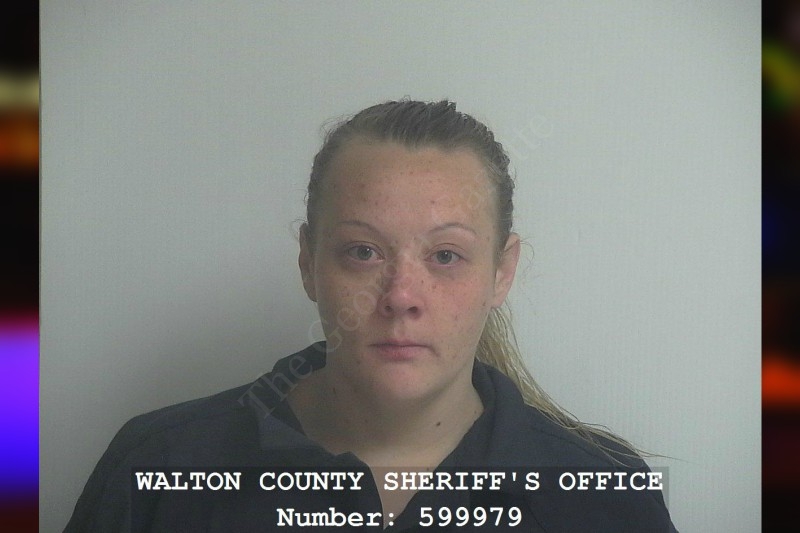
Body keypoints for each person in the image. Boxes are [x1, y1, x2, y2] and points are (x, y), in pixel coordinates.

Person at [65, 100, 677, 532]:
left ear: (501, 272)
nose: (401, 296)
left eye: (445, 255)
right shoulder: (158, 468)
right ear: (308, 262)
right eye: (363, 251)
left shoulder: (604, 496)